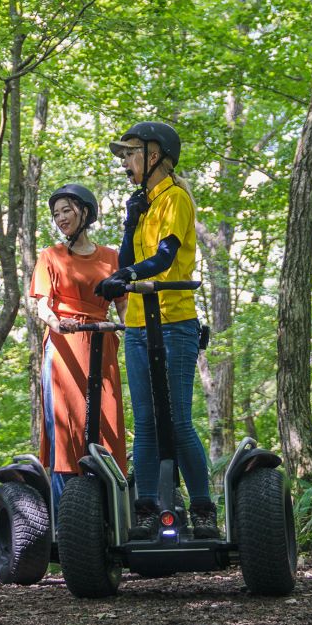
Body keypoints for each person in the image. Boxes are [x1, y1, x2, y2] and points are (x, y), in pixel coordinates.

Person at [95, 121, 219, 539]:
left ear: (154, 155)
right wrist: (131, 224)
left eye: (131, 153)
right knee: (146, 422)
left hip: (174, 322)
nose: (126, 162)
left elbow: (165, 257)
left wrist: (126, 273)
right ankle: (146, 508)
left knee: (178, 420)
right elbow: (127, 258)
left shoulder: (176, 199)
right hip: (137, 325)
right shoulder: (145, 202)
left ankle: (202, 508)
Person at [29, 183, 128, 514]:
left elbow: (124, 307)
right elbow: (42, 306)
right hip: (64, 347)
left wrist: (134, 335)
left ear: (85, 213)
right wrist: (58, 323)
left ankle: (112, 511)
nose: (60, 219)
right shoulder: (50, 256)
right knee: (67, 432)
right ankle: (66, 517)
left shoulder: (112, 258)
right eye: (56, 214)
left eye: (66, 211)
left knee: (107, 425)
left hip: (102, 342)